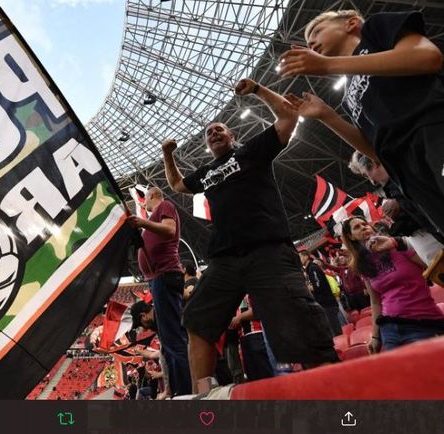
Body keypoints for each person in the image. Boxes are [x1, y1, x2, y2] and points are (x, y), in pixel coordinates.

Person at [279, 9, 444, 321]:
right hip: (409, 169)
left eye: (317, 32)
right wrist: (328, 116)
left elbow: (427, 58)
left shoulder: (377, 31)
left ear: (350, 23)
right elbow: (373, 148)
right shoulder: (350, 94)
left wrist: (328, 65)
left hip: (442, 127)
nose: (311, 42)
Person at [161, 78, 338, 393]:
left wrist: (257, 89)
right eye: (209, 132)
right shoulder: (206, 173)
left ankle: (333, 399)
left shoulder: (252, 151)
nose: (214, 132)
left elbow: (287, 117)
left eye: (220, 129)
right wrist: (167, 154)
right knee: (197, 322)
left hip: (268, 251)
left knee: (300, 327)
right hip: (224, 259)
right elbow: (176, 185)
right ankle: (204, 397)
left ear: (233, 136)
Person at [340, 217, 444, 352]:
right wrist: (375, 337)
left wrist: (399, 242)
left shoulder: (398, 246)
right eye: (357, 227)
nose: (363, 227)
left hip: (423, 321)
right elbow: (375, 302)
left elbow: (433, 265)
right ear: (351, 237)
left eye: (365, 224)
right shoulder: (363, 265)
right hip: (389, 329)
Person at [348, 151, 444, 265]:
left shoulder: (411, 176)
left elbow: (437, 209)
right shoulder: (393, 191)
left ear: (374, 163)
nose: (373, 182)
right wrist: (395, 242)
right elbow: (416, 235)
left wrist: (402, 201)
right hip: (443, 263)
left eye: (366, 174)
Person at [129, 297, 191, 396]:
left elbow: (171, 356)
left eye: (142, 325)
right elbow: (166, 352)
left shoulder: (163, 323)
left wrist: (167, 390)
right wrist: (150, 355)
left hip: (190, 378)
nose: (145, 329)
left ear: (143, 316)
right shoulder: (162, 318)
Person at [300, 251, 341, 336]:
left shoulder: (313, 268)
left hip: (327, 304)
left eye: (300, 257)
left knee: (335, 332)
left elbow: (318, 286)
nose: (299, 260)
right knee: (331, 332)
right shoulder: (308, 270)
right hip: (323, 304)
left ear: (306, 257)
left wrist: (307, 288)